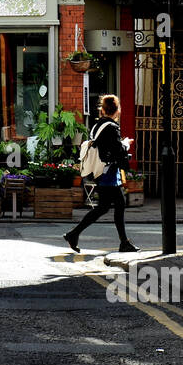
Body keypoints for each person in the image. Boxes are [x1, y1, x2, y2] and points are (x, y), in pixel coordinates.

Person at [63, 94, 136, 253]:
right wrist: (126, 144)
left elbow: (104, 147)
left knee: (105, 207)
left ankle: (74, 234)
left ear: (102, 110)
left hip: (99, 171)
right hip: (108, 172)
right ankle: (123, 243)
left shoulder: (97, 126)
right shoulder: (112, 127)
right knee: (116, 204)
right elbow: (116, 150)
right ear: (117, 111)